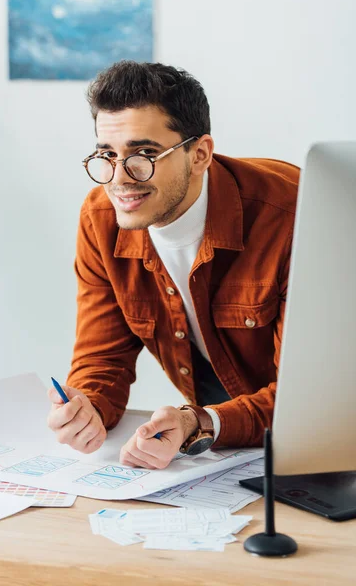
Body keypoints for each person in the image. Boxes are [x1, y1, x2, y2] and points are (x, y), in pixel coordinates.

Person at [47, 60, 299, 470]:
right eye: (107, 154)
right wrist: (88, 407)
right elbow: (103, 358)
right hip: (220, 454)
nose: (120, 178)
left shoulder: (291, 216)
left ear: (199, 154)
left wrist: (200, 421)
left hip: (314, 448)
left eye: (144, 153)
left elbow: (312, 399)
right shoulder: (100, 219)